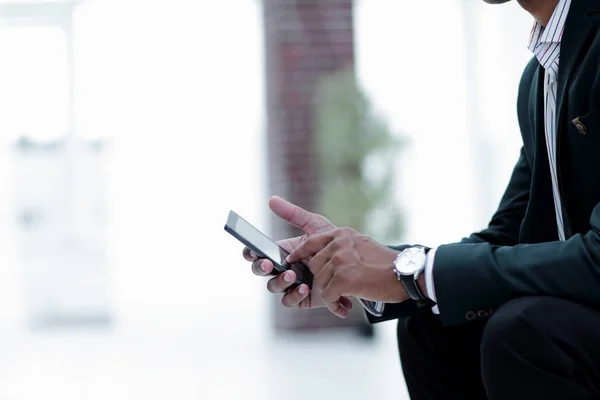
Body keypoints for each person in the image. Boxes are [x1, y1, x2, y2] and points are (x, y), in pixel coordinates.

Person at [243, 0, 600, 399]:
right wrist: (361, 265)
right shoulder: (539, 75)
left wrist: (412, 273)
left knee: (526, 331)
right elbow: (511, 235)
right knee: (430, 327)